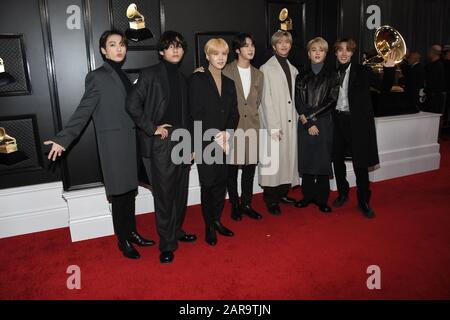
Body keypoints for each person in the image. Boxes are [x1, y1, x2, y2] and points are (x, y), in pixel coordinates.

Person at [44, 30, 154, 259]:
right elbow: (84, 111)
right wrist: (63, 139)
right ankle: (122, 240)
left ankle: (132, 232)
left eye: (122, 44)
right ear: (103, 50)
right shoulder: (97, 76)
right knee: (120, 195)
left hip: (131, 142)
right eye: (113, 45)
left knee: (130, 192)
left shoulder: (123, 75)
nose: (119, 48)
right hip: (114, 145)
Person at [126, 31, 197, 264]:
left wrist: (192, 145)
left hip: (183, 140)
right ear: (161, 51)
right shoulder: (150, 74)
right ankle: (167, 244)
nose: (175, 50)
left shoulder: (183, 78)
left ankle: (176, 231)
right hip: (162, 143)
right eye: (170, 46)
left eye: (179, 46)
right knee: (165, 195)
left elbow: (188, 115)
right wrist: (152, 127)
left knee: (180, 192)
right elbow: (132, 103)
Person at [332, 38, 395, 218]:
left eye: (348, 50)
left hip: (357, 124)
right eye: (340, 50)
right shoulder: (333, 73)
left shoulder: (363, 71)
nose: (344, 53)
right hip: (337, 122)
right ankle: (343, 193)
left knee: (360, 163)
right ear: (335, 53)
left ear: (352, 53)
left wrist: (389, 69)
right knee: (337, 160)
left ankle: (363, 201)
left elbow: (385, 87)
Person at [189, 38, 240, 246]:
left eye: (224, 54)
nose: (220, 58)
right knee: (208, 185)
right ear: (208, 55)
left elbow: (234, 113)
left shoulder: (230, 82)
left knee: (221, 184)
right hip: (205, 142)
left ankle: (217, 220)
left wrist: (227, 132)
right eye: (215, 53)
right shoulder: (196, 79)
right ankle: (209, 225)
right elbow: (194, 114)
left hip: (225, 141)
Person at [222, 33, 264, 221]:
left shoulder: (259, 74)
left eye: (252, 44)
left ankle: (247, 203)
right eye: (246, 45)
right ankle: (235, 204)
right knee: (231, 171)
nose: (251, 48)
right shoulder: (226, 71)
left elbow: (258, 102)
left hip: (252, 128)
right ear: (237, 50)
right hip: (232, 128)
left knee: (249, 169)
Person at [294, 37, 339, 213]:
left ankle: (322, 199)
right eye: (314, 49)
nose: (317, 53)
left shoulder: (332, 75)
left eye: (321, 50)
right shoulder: (301, 75)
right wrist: (306, 122)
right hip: (305, 123)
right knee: (307, 160)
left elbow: (331, 101)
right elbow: (298, 100)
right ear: (308, 53)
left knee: (321, 162)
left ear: (326, 54)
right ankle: (307, 196)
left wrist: (310, 118)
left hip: (323, 122)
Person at [258, 30, 299, 216]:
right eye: (280, 43)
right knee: (273, 161)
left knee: (286, 159)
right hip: (274, 122)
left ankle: (283, 194)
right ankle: (271, 199)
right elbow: (265, 100)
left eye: (287, 42)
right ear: (274, 46)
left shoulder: (293, 68)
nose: (284, 45)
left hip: (290, 121)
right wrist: (273, 126)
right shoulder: (266, 68)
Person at [424, 45, 446, 114]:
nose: (428, 52)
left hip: (434, 97)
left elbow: (434, 82)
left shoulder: (438, 65)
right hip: (431, 95)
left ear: (433, 52)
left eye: (430, 51)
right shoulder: (433, 65)